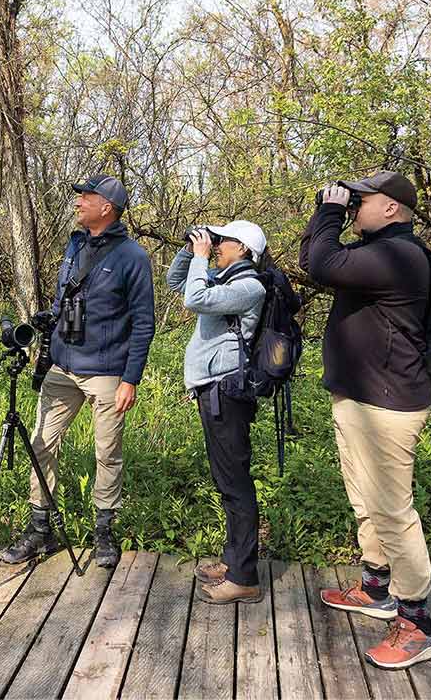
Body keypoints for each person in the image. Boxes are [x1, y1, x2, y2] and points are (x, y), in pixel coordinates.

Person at [299, 170, 431, 669]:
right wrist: (327, 215)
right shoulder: (375, 252)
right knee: (366, 499)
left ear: (391, 208)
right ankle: (378, 587)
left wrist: (329, 212)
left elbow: (321, 262)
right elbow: (314, 260)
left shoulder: (398, 254)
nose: (353, 205)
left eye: (362, 199)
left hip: (388, 404)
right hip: (361, 397)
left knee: (392, 511)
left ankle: (418, 621)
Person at [1, 174, 155, 569]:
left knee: (107, 453)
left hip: (106, 372)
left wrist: (130, 378)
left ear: (107, 207)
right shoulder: (74, 244)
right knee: (41, 444)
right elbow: (62, 300)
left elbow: (143, 322)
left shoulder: (132, 257)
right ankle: (41, 529)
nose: (78, 201)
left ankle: (104, 532)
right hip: (62, 365)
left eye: (86, 196)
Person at [166, 221, 268, 605]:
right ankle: (234, 561)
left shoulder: (248, 286)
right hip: (215, 390)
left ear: (242, 248)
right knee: (227, 479)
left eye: (223, 240)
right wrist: (190, 246)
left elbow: (194, 299)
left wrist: (201, 257)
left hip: (227, 391)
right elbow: (179, 281)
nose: (218, 245)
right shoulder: (224, 279)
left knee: (235, 483)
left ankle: (244, 577)